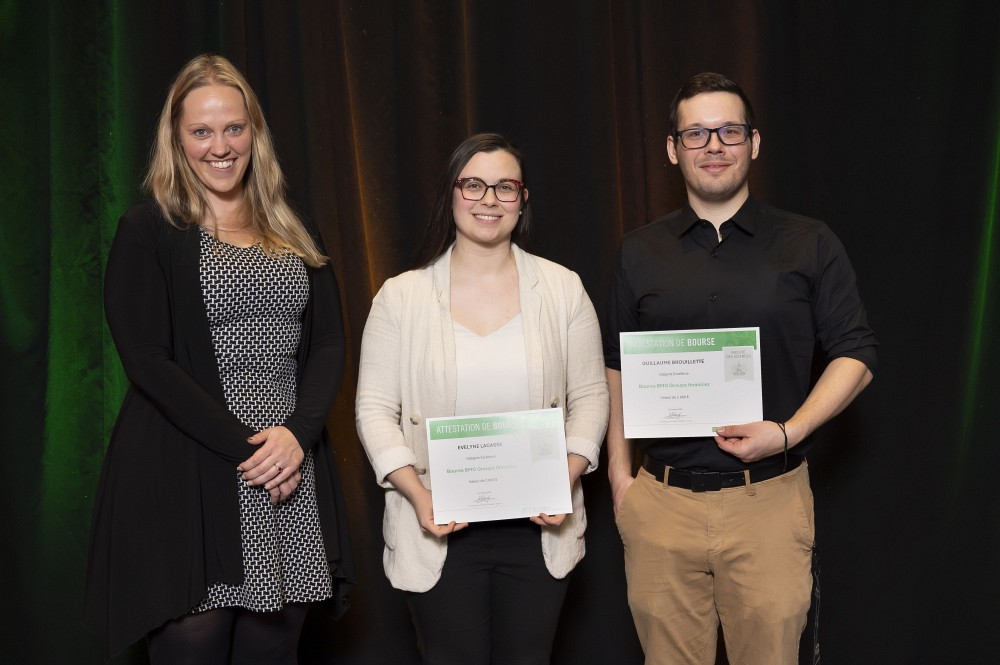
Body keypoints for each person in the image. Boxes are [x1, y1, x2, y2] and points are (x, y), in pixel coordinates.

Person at [83, 54, 353, 664]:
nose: (220, 146)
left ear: (255, 131)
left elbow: (328, 342)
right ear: (176, 138)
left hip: (288, 467)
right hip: (192, 467)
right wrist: (253, 451)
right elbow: (147, 360)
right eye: (201, 131)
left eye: (234, 127)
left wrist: (297, 435)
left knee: (273, 647)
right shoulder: (148, 229)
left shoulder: (293, 227)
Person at [605, 72, 878, 665]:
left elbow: (855, 356)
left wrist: (787, 432)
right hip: (662, 506)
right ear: (673, 149)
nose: (714, 145)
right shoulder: (637, 251)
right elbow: (617, 367)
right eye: (696, 133)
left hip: (769, 502)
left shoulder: (809, 243)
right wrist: (620, 479)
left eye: (729, 131)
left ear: (753, 143)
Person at [355, 132, 609, 665]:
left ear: (523, 198)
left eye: (504, 187)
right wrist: (418, 497)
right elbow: (373, 411)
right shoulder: (400, 297)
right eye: (473, 185)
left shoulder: (563, 289)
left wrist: (562, 479)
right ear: (451, 193)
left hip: (539, 529)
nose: (488, 200)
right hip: (436, 526)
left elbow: (590, 398)